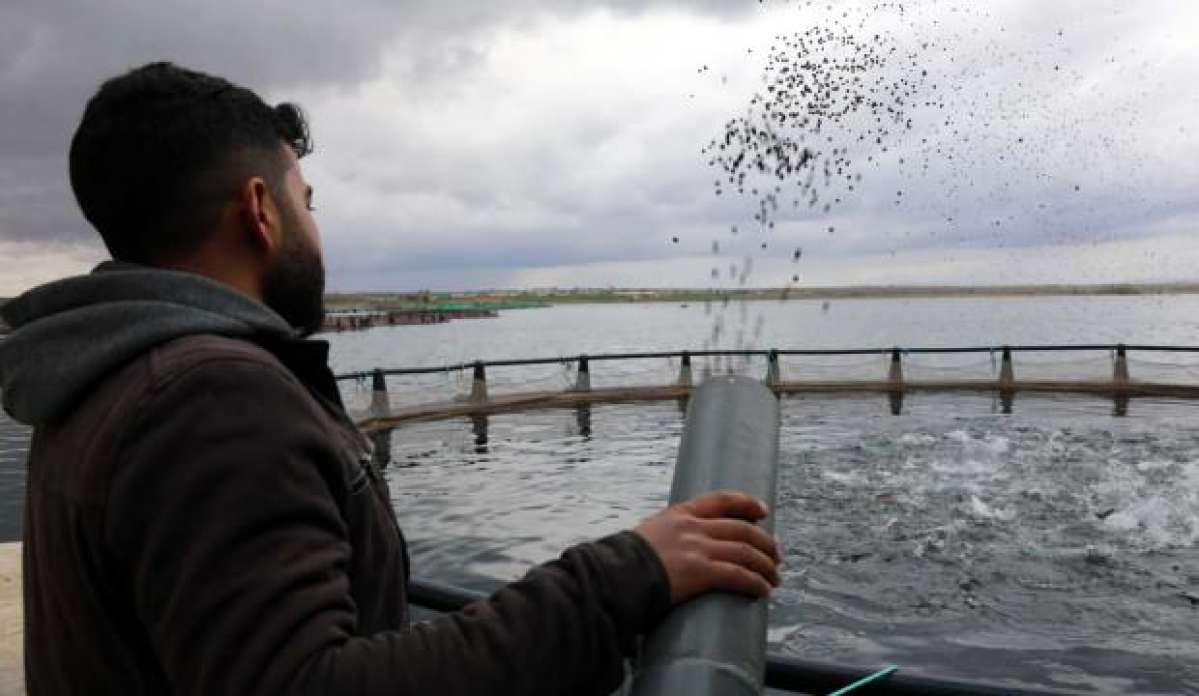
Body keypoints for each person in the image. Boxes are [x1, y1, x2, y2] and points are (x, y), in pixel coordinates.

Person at [0, 62, 781, 695]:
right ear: (259, 211)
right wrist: (625, 573)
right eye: (308, 202)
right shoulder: (211, 399)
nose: (315, 226)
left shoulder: (101, 378)